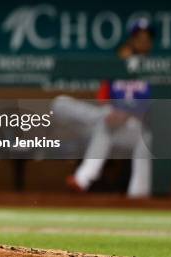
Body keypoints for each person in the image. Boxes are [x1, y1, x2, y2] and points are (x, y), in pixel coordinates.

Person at [54, 18, 155, 198]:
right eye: (139, 37)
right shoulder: (116, 68)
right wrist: (114, 111)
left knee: (147, 137)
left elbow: (159, 110)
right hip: (107, 123)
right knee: (62, 104)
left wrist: (128, 112)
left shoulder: (156, 70)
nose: (143, 41)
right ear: (131, 40)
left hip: (135, 130)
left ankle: (137, 197)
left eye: (147, 37)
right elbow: (103, 100)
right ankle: (82, 180)